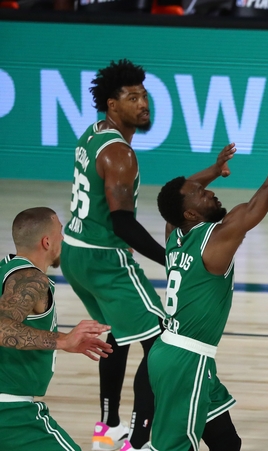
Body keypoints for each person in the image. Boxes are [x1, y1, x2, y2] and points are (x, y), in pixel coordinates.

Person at [149, 86, 268, 451]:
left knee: (226, 443)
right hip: (186, 362)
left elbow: (176, 196)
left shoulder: (175, 232)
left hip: (177, 355)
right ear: (190, 212)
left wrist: (213, 172)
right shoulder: (218, 237)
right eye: (200, 192)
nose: (209, 192)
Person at [60, 59, 167, 451]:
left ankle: (109, 427)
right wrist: (169, 257)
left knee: (115, 338)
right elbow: (122, 223)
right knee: (163, 344)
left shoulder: (93, 133)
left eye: (144, 95)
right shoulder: (121, 155)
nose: (143, 103)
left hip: (75, 252)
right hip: (105, 258)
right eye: (132, 97)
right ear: (112, 105)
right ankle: (139, 443)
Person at [1, 207, 113, 451]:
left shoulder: (7, 271)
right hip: (10, 412)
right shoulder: (30, 278)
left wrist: (65, 338)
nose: (64, 238)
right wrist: (62, 342)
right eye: (61, 232)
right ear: (47, 241)